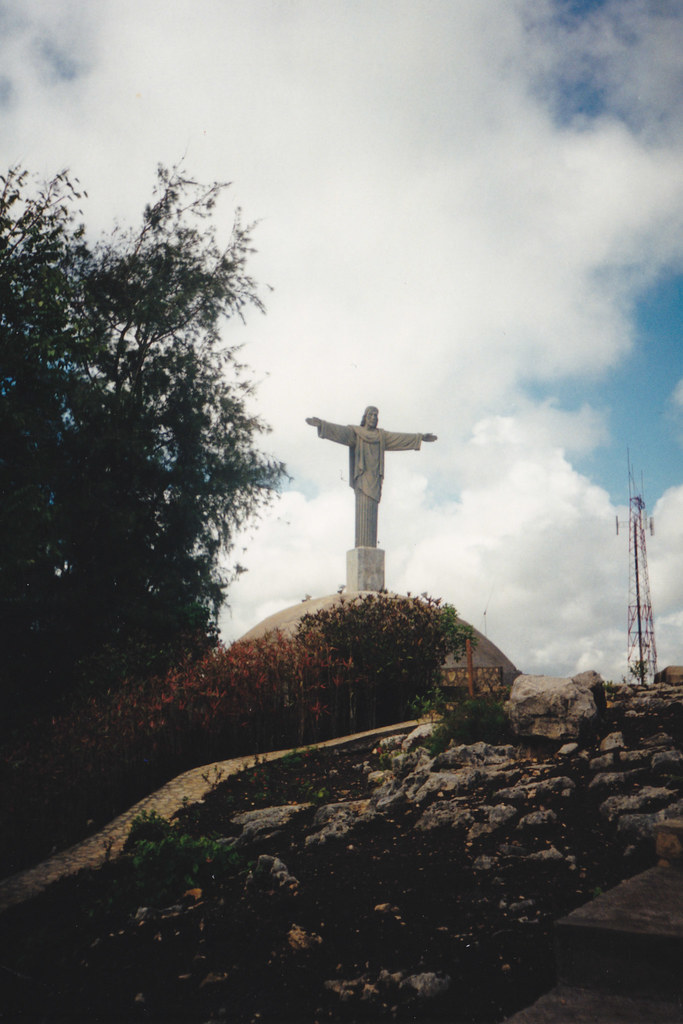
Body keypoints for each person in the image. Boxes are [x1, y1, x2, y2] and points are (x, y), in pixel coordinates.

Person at [306, 406, 437, 547]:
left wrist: (420, 438)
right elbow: (340, 432)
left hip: (375, 480)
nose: (374, 418)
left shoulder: (381, 436)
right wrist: (323, 425)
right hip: (362, 479)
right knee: (363, 510)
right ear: (365, 417)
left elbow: (399, 439)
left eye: (376, 415)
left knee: (372, 513)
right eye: (371, 415)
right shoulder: (356, 433)